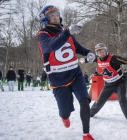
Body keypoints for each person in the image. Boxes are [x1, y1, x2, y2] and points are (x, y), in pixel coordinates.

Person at [37, 5, 95, 140]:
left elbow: (77, 47)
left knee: (85, 101)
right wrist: (67, 32)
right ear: (45, 19)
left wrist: (88, 53)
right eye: (52, 16)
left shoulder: (65, 31)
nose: (56, 18)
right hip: (58, 78)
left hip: (75, 73)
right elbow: (52, 45)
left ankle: (86, 134)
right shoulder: (43, 35)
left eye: (57, 15)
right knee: (65, 112)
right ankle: (64, 117)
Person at [80, 43, 127, 126]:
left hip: (119, 82)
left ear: (106, 51)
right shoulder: (97, 59)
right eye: (99, 52)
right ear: (97, 54)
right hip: (108, 84)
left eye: (103, 51)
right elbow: (91, 59)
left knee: (122, 100)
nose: (102, 53)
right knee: (99, 101)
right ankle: (90, 114)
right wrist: (84, 60)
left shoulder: (114, 58)